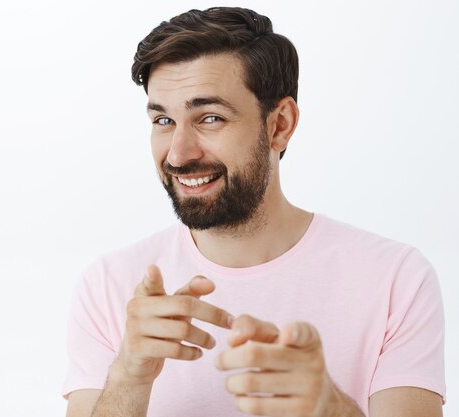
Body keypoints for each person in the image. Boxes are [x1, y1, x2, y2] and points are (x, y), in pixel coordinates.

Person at [62, 7, 445, 417]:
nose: (177, 153)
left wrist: (331, 408)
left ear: (279, 125)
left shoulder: (394, 279)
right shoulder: (109, 287)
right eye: (163, 120)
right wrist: (128, 377)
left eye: (210, 118)